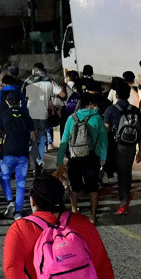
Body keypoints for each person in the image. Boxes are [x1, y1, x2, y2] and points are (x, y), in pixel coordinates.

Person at [57, 94, 108, 222]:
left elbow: (64, 140)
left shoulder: (71, 118)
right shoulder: (97, 118)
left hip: (75, 157)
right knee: (93, 187)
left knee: (74, 187)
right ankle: (93, 216)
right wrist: (103, 157)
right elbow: (103, 140)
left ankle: (74, 213)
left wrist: (59, 161)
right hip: (92, 157)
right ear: (90, 104)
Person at [0, 90, 35, 221]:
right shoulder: (26, 116)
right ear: (20, 102)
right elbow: (33, 138)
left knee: (4, 176)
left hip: (6, 153)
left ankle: (9, 200)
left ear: (7, 102)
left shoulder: (3, 115)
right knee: (21, 183)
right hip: (23, 154)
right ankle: (18, 212)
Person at [105, 83, 141, 215]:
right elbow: (139, 130)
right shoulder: (135, 110)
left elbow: (106, 129)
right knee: (127, 170)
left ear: (116, 95)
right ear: (128, 95)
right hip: (131, 145)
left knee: (121, 173)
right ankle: (126, 194)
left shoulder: (110, 110)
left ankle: (123, 200)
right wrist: (140, 151)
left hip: (118, 145)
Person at [22, 63, 64, 176]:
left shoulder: (27, 82)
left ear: (34, 71)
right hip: (43, 115)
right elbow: (63, 94)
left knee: (30, 140)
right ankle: (39, 164)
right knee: (41, 140)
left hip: (30, 115)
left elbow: (22, 98)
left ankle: (35, 161)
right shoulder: (49, 81)